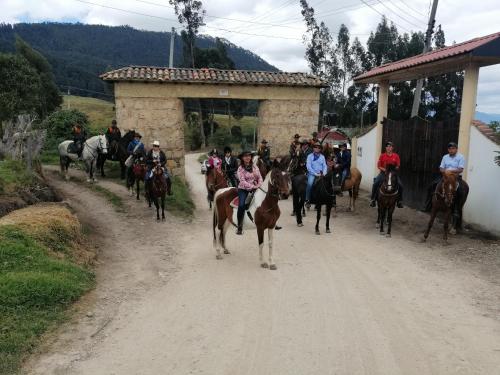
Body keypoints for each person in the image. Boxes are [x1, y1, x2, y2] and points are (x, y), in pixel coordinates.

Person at [422, 142, 466, 212]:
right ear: (448, 150)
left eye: (453, 148)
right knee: (431, 186)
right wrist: (444, 172)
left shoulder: (461, 157)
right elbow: (441, 168)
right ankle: (428, 205)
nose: (451, 150)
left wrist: (450, 171)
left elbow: (460, 169)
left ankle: (457, 210)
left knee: (461, 190)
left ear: (456, 149)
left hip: (456, 177)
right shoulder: (445, 157)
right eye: (450, 149)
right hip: (445, 176)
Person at [236, 150, 263, 235]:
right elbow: (242, 181)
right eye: (245, 156)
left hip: (256, 188)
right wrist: (253, 187)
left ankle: (271, 221)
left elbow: (260, 177)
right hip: (243, 189)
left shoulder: (255, 167)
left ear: (251, 157)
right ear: (242, 158)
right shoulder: (240, 169)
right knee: (241, 205)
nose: (247, 157)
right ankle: (239, 226)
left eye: (249, 156)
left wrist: (259, 185)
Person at [370, 141, 403, 208]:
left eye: (390, 146)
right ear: (385, 148)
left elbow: (398, 165)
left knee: (401, 185)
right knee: (375, 183)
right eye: (387, 146)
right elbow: (378, 165)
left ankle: (399, 201)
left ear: (392, 148)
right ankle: (373, 199)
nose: (388, 148)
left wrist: (394, 169)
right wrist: (384, 169)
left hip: (393, 174)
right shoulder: (382, 155)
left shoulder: (396, 156)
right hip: (383, 173)